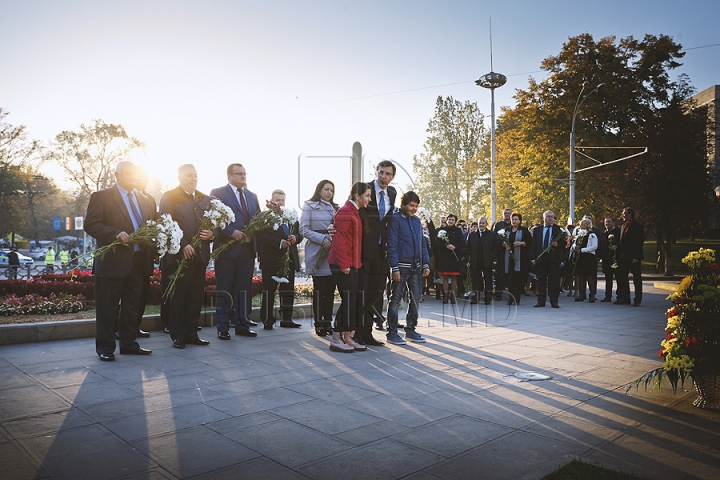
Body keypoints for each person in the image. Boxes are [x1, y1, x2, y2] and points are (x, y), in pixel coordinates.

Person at [84, 161, 156, 361]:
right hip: (112, 262)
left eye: (135, 172)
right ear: (116, 174)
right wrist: (114, 234)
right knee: (107, 307)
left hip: (139, 260)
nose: (132, 176)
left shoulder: (143, 199)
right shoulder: (102, 197)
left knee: (132, 306)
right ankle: (106, 348)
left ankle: (129, 343)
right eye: (128, 173)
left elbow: (150, 225)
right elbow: (90, 224)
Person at [159, 164, 215, 349]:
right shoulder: (170, 196)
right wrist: (183, 245)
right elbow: (167, 223)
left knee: (195, 296)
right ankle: (177, 335)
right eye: (189, 176)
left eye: (195, 175)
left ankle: (192, 333)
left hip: (199, 256)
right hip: (179, 256)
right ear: (180, 177)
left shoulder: (203, 197)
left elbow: (212, 221)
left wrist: (212, 234)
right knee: (179, 296)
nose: (193, 179)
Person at [209, 163, 261, 339]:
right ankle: (222, 327)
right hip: (226, 249)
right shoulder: (218, 193)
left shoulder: (252, 196)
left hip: (247, 250)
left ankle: (242, 325)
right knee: (224, 288)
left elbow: (258, 219)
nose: (243, 177)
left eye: (244, 174)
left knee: (243, 288)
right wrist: (231, 232)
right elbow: (214, 219)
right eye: (239, 174)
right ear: (229, 176)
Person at [328, 182, 372, 353]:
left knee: (352, 300)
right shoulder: (346, 211)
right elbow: (339, 241)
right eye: (367, 195)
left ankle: (347, 337)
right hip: (342, 264)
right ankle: (336, 339)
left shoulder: (354, 211)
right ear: (357, 196)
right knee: (348, 301)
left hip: (351, 263)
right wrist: (345, 264)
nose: (369, 199)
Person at [357, 160, 397, 346]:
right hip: (363, 249)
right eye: (381, 172)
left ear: (392, 177)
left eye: (388, 174)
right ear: (376, 172)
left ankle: (367, 333)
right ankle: (357, 332)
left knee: (376, 292)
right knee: (361, 292)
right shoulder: (364, 189)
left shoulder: (392, 193)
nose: (384, 176)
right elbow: (352, 210)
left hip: (382, 251)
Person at [385, 191, 430, 345]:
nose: (414, 209)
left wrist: (425, 263)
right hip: (401, 266)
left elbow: (422, 244)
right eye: (411, 205)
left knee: (416, 298)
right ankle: (392, 332)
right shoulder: (395, 219)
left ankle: (410, 330)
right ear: (403, 204)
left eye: (416, 206)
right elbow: (391, 244)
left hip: (416, 267)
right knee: (396, 299)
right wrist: (394, 267)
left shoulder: (417, 221)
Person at [257, 189, 303, 329]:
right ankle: (267, 320)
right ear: (271, 201)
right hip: (271, 260)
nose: (280, 203)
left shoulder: (291, 216)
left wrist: (296, 238)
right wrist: (279, 243)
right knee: (269, 291)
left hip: (289, 259)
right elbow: (261, 237)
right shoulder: (264, 217)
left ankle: (286, 319)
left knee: (288, 291)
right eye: (277, 200)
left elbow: (299, 234)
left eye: (282, 200)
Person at [299, 179, 338, 337]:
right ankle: (318, 323)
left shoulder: (335, 208)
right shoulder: (309, 205)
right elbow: (303, 229)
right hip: (317, 249)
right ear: (319, 190)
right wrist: (322, 239)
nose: (329, 192)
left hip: (333, 251)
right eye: (326, 189)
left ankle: (328, 322)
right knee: (320, 289)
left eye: (332, 190)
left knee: (330, 290)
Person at [530, 210, 565, 308]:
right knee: (541, 280)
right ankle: (541, 301)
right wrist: (533, 258)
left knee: (554, 281)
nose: (550, 218)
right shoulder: (537, 230)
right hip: (541, 259)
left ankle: (554, 301)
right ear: (543, 218)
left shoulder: (559, 230)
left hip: (553, 259)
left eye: (552, 217)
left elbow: (564, 244)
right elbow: (534, 245)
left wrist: (557, 244)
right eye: (548, 216)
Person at [613, 207, 644, 306]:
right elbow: (622, 241)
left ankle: (637, 299)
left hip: (634, 257)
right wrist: (617, 246)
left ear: (630, 214)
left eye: (624, 213)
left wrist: (637, 257)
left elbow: (639, 243)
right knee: (623, 277)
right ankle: (626, 298)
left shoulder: (638, 226)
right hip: (623, 256)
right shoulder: (623, 226)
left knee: (637, 278)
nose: (623, 215)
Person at [466, 216, 500, 305]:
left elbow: (496, 248)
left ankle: (488, 298)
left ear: (486, 224)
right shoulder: (472, 234)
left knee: (488, 280)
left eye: (483, 223)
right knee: (475, 281)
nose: (481, 225)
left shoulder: (492, 235)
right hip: (475, 261)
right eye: (480, 223)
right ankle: (475, 298)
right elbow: (467, 248)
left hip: (487, 261)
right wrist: (467, 260)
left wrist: (492, 257)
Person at [433, 213, 465, 304]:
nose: (451, 221)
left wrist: (455, 247)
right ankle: (446, 295)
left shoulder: (458, 231)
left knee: (454, 277)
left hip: (454, 257)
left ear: (455, 221)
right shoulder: (441, 230)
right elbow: (437, 243)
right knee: (445, 277)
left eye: (452, 220)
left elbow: (462, 243)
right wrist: (446, 246)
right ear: (446, 221)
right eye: (449, 219)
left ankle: (453, 295)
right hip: (444, 257)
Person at [504, 213, 532, 305]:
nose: (514, 221)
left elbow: (530, 243)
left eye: (516, 219)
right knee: (510, 279)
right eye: (513, 219)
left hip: (520, 258)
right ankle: (510, 299)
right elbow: (501, 241)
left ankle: (517, 298)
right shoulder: (506, 231)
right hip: (509, 258)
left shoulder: (524, 230)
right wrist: (505, 245)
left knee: (518, 279)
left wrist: (521, 243)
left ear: (519, 221)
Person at [572, 219, 599, 302]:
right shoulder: (580, 235)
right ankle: (581, 295)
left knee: (590, 277)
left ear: (587, 225)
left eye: (582, 224)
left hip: (589, 258)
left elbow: (594, 246)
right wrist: (575, 248)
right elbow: (574, 243)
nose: (580, 226)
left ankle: (592, 295)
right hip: (581, 258)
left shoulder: (592, 235)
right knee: (581, 277)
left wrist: (583, 250)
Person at [601, 217, 621, 302]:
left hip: (617, 258)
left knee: (619, 278)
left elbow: (622, 242)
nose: (607, 224)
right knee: (608, 279)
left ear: (613, 222)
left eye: (609, 222)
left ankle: (620, 296)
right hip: (606, 259)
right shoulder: (604, 233)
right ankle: (607, 296)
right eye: (606, 222)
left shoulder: (619, 232)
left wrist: (617, 247)